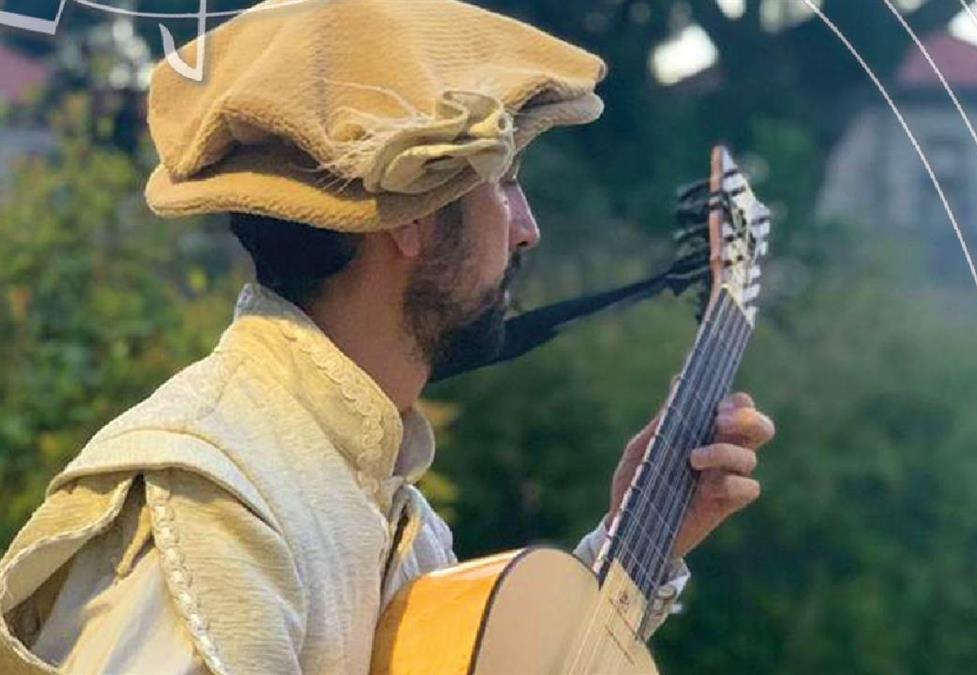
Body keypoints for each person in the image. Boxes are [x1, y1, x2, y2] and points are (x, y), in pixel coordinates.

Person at [0, 0, 775, 672]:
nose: (528, 229)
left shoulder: (357, 480)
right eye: (504, 184)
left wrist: (641, 538)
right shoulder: (207, 508)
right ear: (412, 219)